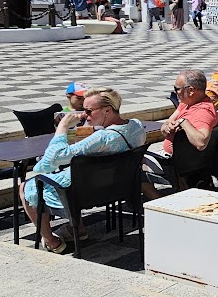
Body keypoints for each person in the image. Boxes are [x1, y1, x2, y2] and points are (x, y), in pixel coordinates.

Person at [23, 88, 145, 253]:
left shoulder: (102, 138)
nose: (85, 115)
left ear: (107, 110)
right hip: (115, 187)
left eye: (89, 111)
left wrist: (62, 127)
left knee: (26, 187)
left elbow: (54, 159)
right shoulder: (136, 126)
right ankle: (77, 229)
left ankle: (51, 241)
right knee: (75, 173)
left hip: (85, 192)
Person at [159, 70, 218, 158]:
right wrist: (168, 128)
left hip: (179, 163)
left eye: (177, 89)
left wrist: (183, 122)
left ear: (190, 91)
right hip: (172, 157)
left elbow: (201, 143)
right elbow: (166, 125)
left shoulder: (203, 112)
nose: (175, 92)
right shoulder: (185, 103)